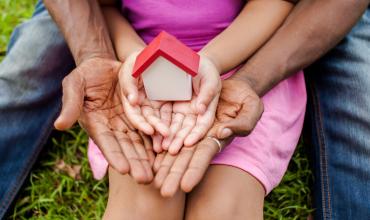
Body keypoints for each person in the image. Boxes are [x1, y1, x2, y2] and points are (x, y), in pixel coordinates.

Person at [0, 0, 368, 219]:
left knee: (225, 206)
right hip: (141, 66)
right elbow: (106, 8)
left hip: (241, 53)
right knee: (144, 197)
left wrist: (213, 64)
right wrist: (137, 62)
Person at [87, 0, 304, 219]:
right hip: (143, 76)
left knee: (223, 207)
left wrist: (209, 61)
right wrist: (142, 60)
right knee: (145, 204)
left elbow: (273, 3)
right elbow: (105, 8)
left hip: (243, 63)